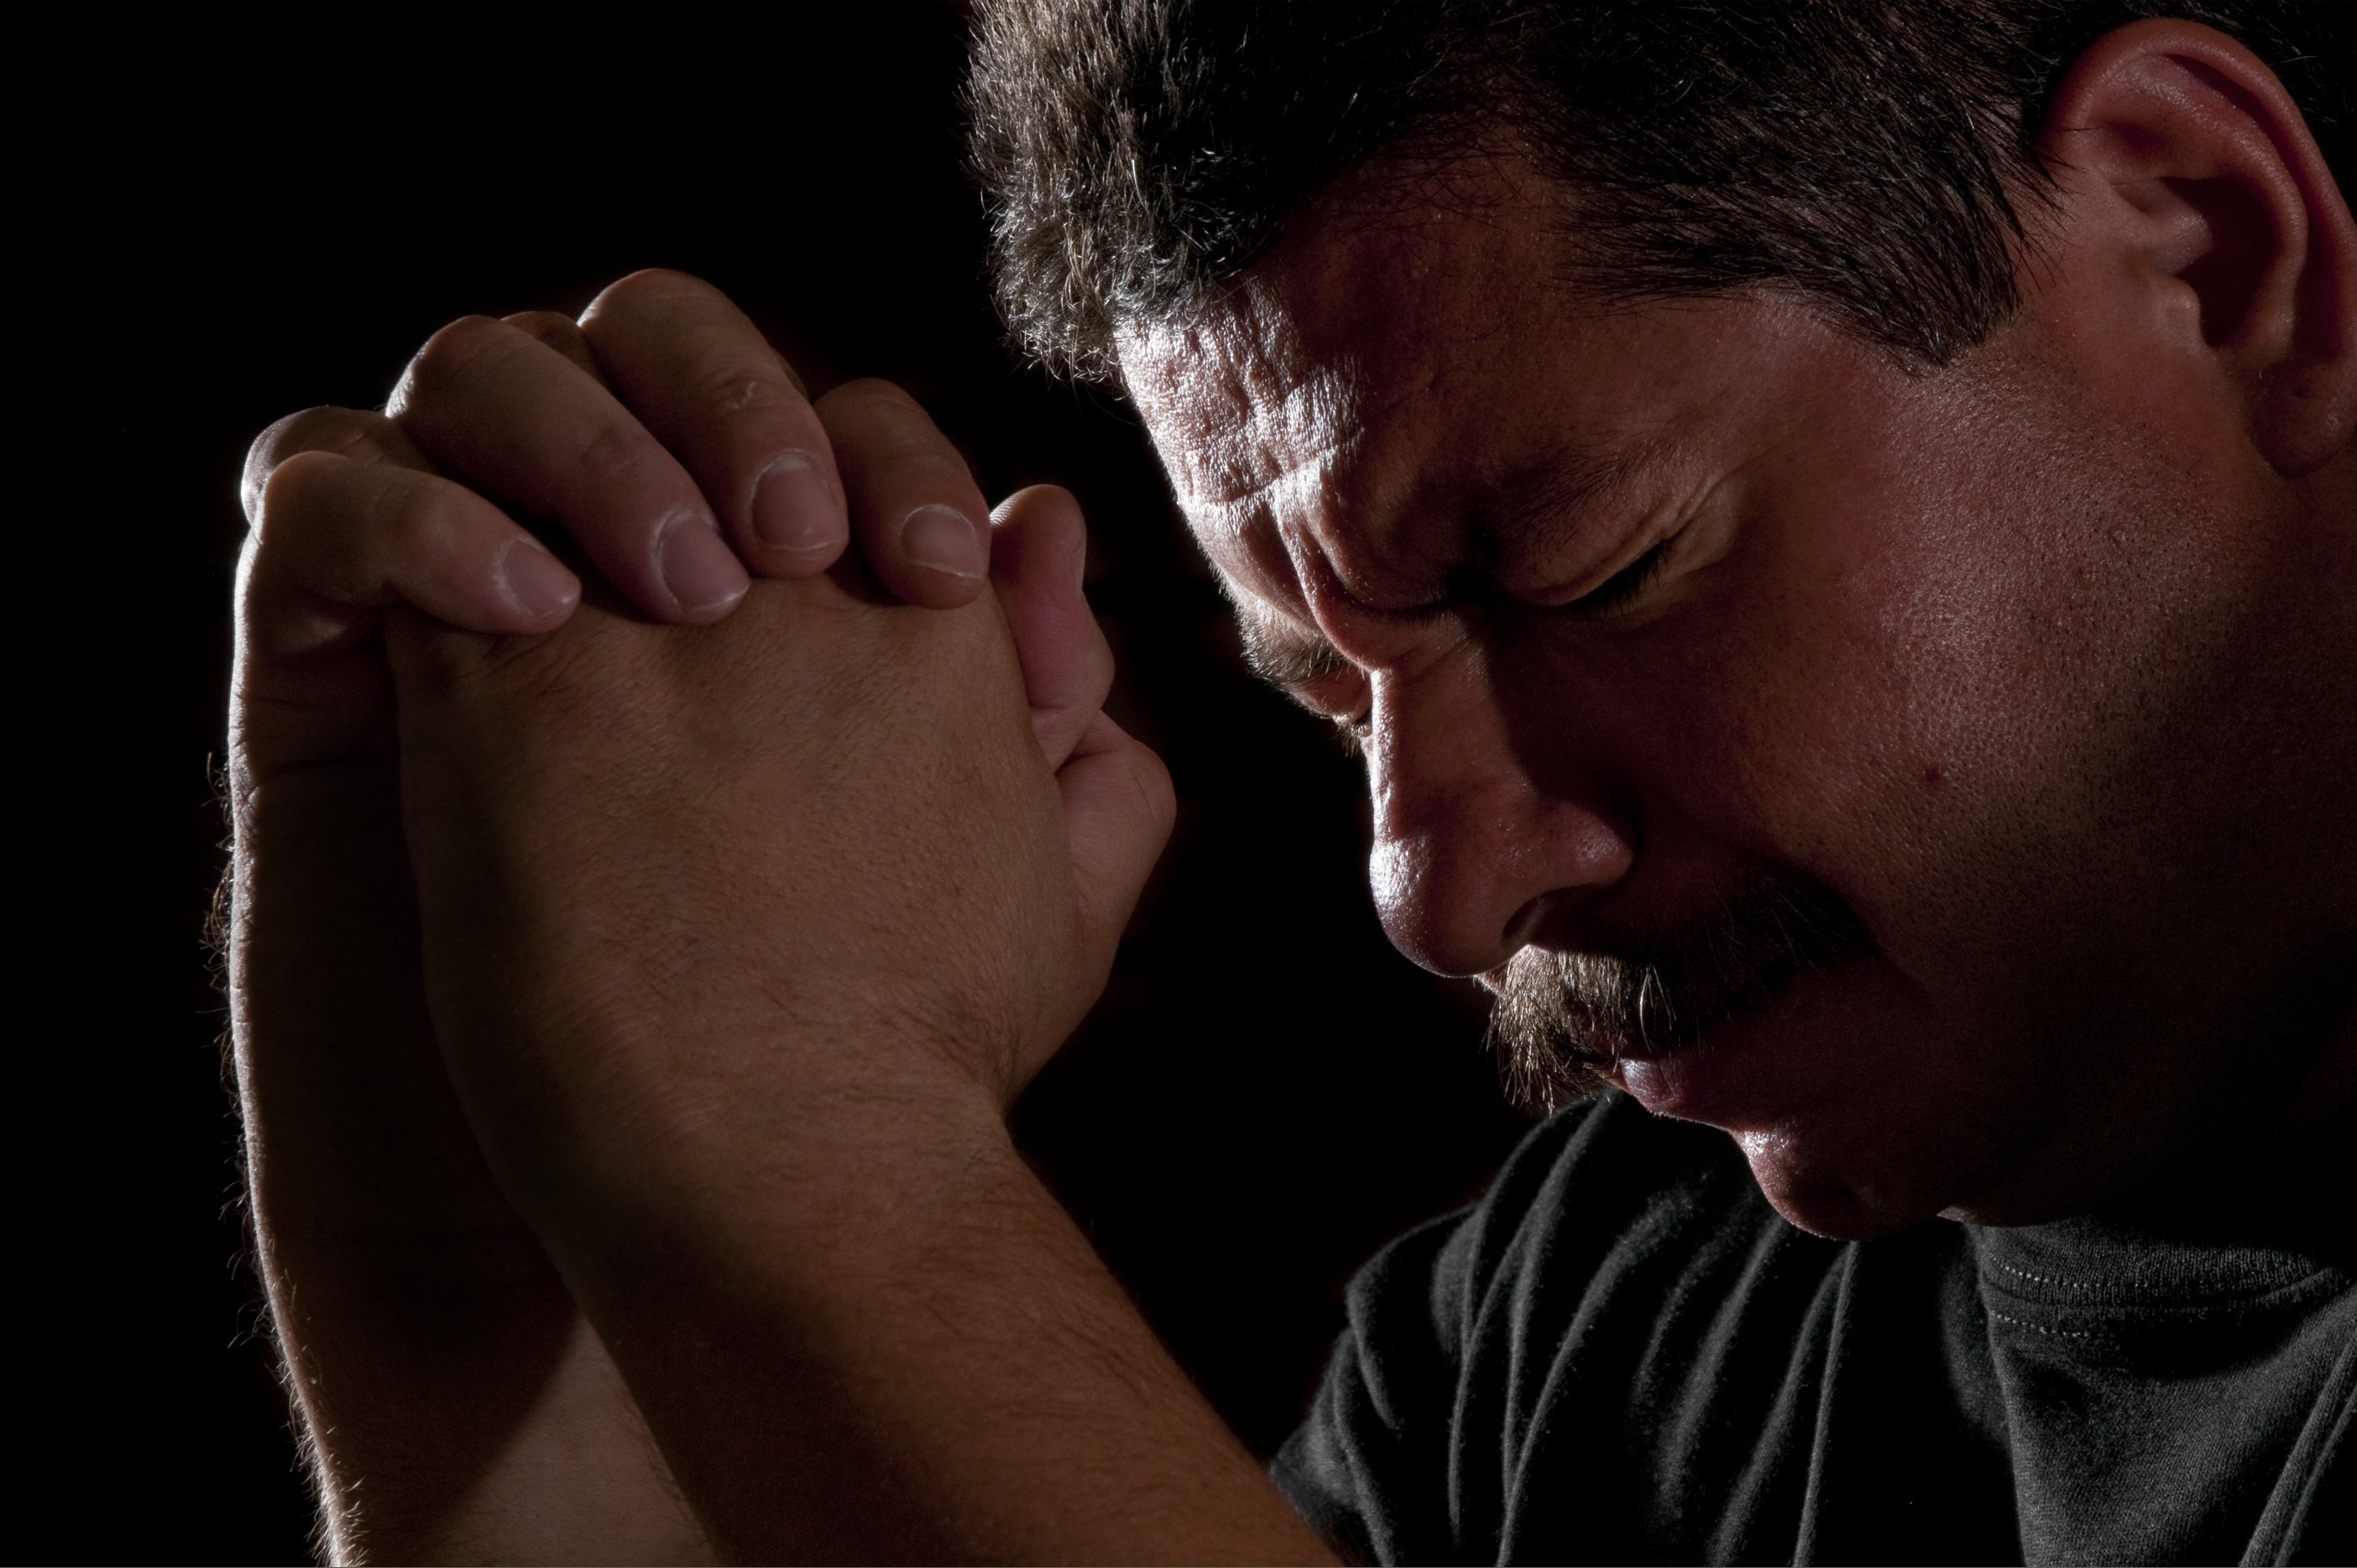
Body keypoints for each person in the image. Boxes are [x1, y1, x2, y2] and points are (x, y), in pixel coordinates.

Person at [225, 1, 2356, 1561]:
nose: (1429, 889)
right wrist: (479, 1288)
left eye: (1586, 566)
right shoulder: (1577, 1340)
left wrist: (809, 1128)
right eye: (1337, 700)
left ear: (2207, 245)